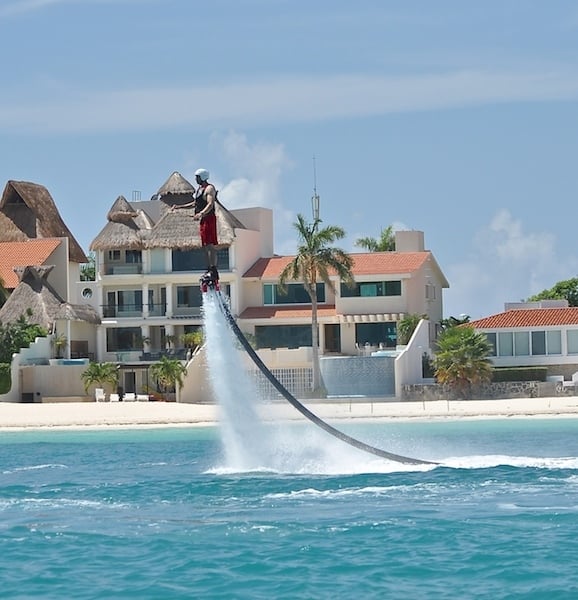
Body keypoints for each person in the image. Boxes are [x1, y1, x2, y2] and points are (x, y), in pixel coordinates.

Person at [171, 168, 219, 282]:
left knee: (210, 245)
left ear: (202, 177)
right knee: (205, 246)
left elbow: (210, 204)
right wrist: (179, 207)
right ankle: (208, 269)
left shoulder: (209, 188)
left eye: (197, 177)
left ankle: (213, 270)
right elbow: (195, 203)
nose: (195, 179)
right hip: (203, 220)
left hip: (209, 219)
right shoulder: (199, 190)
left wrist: (201, 213)